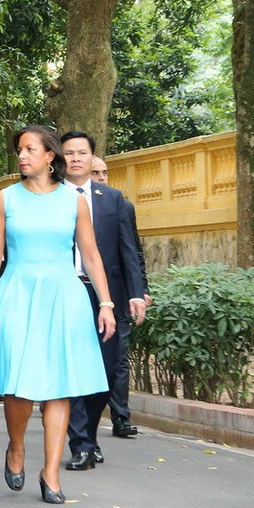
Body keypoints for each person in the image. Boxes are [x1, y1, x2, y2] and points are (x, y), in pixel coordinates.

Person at [0, 125, 116, 504]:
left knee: (60, 385)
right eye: (19, 150)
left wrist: (105, 303)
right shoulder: (6, 199)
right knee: (19, 386)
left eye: (30, 149)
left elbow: (90, 255)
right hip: (18, 292)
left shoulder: (74, 201)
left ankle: (51, 472)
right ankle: (17, 447)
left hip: (64, 296)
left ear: (50, 156)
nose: (22, 156)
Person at [60, 131, 147, 470]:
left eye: (82, 152)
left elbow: (129, 250)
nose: (76, 158)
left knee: (107, 371)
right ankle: (80, 443)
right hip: (66, 290)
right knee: (72, 368)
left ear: (92, 156)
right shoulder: (50, 197)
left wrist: (136, 293)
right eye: (69, 152)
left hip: (105, 294)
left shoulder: (113, 199)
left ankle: (91, 433)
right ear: (59, 158)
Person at [82, 151, 151, 445]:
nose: (100, 177)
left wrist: (140, 289)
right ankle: (81, 425)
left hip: (116, 293)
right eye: (95, 172)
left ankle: (121, 415)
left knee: (118, 359)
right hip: (79, 291)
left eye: (104, 173)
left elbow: (133, 250)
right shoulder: (67, 202)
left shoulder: (121, 204)